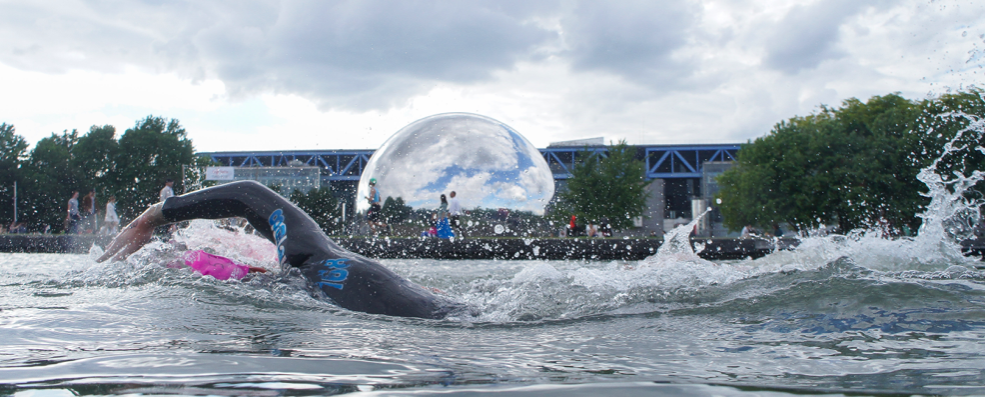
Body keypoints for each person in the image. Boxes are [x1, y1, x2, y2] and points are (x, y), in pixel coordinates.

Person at [97, 180, 462, 319]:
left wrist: (147, 219)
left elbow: (248, 193)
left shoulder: (305, 260)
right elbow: (250, 196)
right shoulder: (320, 261)